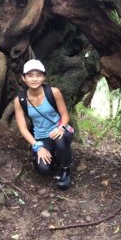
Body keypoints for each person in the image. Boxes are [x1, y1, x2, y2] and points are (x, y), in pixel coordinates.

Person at [14, 59, 73, 189]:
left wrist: (61, 127)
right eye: (30, 75)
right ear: (24, 78)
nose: (34, 79)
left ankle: (66, 170)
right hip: (41, 137)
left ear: (44, 77)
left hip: (60, 130)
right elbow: (23, 129)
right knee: (44, 169)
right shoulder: (20, 100)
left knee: (59, 138)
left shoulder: (53, 92)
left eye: (38, 75)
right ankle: (57, 156)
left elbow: (65, 115)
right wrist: (37, 147)